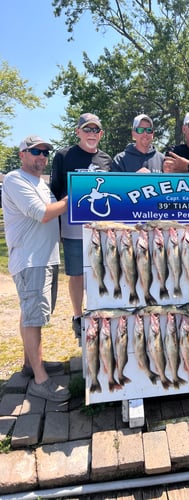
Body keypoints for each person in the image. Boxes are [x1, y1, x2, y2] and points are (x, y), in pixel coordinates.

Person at [2, 135, 70, 402]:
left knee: (32, 314)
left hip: (46, 258)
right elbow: (42, 213)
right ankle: (40, 381)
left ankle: (30, 364)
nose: (42, 156)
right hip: (31, 260)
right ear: (22, 154)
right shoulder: (15, 180)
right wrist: (75, 196)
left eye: (45, 153)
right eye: (35, 152)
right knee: (33, 318)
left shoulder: (39, 183)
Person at [50, 113, 112, 343]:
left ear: (101, 134)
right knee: (76, 274)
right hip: (73, 228)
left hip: (100, 229)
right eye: (87, 129)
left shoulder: (107, 159)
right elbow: (55, 191)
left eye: (96, 130)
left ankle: (100, 312)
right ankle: (78, 317)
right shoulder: (63, 155)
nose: (91, 134)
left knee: (100, 271)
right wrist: (56, 229)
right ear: (78, 132)